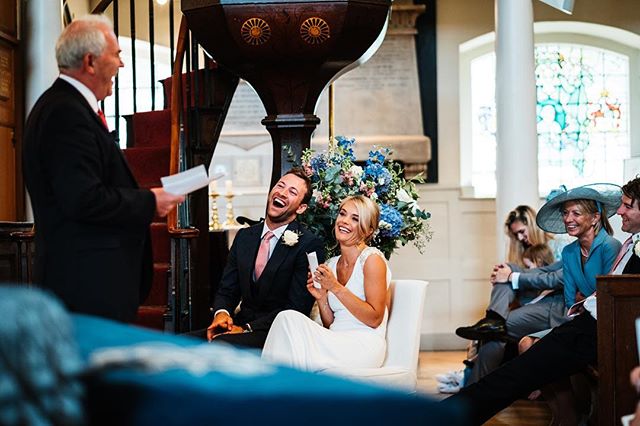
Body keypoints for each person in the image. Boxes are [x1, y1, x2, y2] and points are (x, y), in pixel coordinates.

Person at [22, 15, 184, 322]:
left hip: (91, 282)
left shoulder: (68, 107)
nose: (121, 65)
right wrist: (152, 201)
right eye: (117, 54)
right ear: (90, 62)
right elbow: (83, 199)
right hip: (85, 286)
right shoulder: (65, 114)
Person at [442, 178, 640, 425]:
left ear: (594, 218)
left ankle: (450, 412)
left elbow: (604, 293)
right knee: (514, 364)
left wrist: (517, 278)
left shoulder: (613, 246)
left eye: (628, 206)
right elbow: (572, 291)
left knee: (517, 369)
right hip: (581, 320)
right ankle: (456, 404)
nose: (620, 211)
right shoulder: (617, 246)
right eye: (565, 213)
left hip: (597, 328)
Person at [261, 195, 390, 371]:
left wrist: (335, 287)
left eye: (355, 218)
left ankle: (271, 390)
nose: (344, 221)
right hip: (336, 340)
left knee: (288, 320)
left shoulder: (372, 260)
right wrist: (322, 298)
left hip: (364, 345)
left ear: (368, 230)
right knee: (287, 318)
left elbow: (375, 319)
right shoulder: (332, 264)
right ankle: (280, 390)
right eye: (342, 214)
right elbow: (331, 324)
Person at [206, 168, 325, 349]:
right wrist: (221, 314)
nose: (282, 193)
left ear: (301, 208)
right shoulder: (244, 237)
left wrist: (246, 329)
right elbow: (227, 289)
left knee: (219, 345)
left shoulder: (309, 244)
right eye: (280, 186)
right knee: (183, 344)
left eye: (292, 192)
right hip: (237, 325)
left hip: (277, 333)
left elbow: (296, 308)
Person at [455, 206, 566, 385]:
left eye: (522, 232)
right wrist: (505, 277)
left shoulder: (559, 246)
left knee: (496, 331)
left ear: (532, 225)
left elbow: (553, 280)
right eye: (516, 236)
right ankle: (494, 320)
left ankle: (472, 390)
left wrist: (511, 277)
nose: (520, 238)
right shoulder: (524, 251)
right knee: (507, 267)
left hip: (549, 301)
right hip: (530, 299)